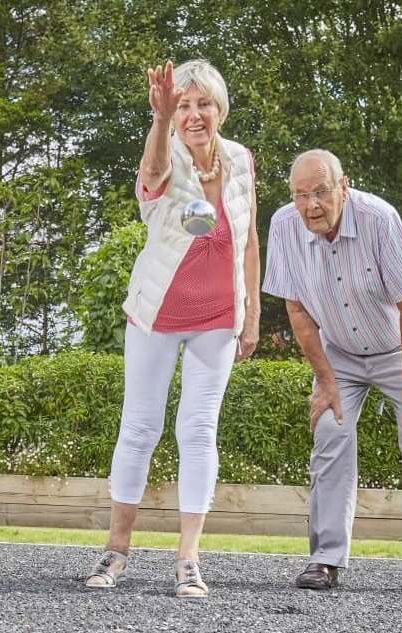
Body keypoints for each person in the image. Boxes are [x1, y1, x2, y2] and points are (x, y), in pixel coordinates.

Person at [83, 59, 260, 599]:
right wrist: (158, 121)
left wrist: (250, 313)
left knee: (198, 430)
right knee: (140, 428)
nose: (193, 114)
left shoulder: (241, 160)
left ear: (220, 109)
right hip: (157, 313)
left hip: (217, 318)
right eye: (183, 104)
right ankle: (116, 549)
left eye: (202, 103)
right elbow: (154, 175)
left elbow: (249, 239)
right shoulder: (164, 152)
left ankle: (188, 559)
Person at [262, 149, 402, 597]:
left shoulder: (378, 219)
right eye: (300, 195)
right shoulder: (285, 225)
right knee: (330, 431)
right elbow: (296, 308)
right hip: (340, 353)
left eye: (321, 193)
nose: (311, 205)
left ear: (344, 188)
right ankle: (325, 560)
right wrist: (326, 382)